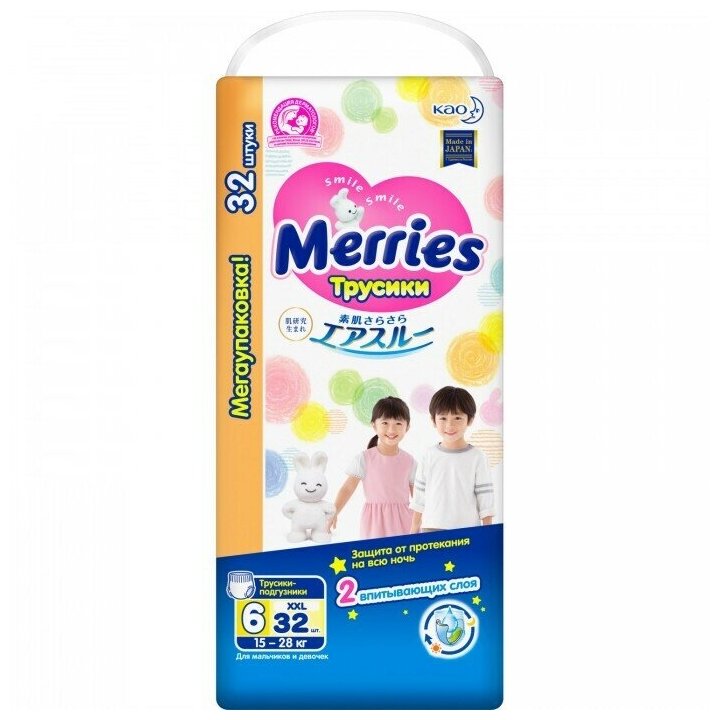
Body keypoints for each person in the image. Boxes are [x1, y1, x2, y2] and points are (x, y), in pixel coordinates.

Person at [410, 386, 494, 532]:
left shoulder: (477, 457)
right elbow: (419, 498)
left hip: (467, 530)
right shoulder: (428, 455)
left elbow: (485, 499)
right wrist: (413, 530)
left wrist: (488, 535)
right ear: (433, 420)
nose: (450, 425)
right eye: (443, 418)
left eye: (457, 418)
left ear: (470, 420)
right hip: (431, 528)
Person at [329, 396, 415, 539]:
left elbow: (418, 496)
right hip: (375, 523)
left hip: (405, 521)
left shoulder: (409, 461)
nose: (391, 429)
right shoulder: (364, 458)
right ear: (374, 425)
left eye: (398, 423)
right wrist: (334, 511)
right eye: (385, 423)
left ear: (407, 427)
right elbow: (348, 488)